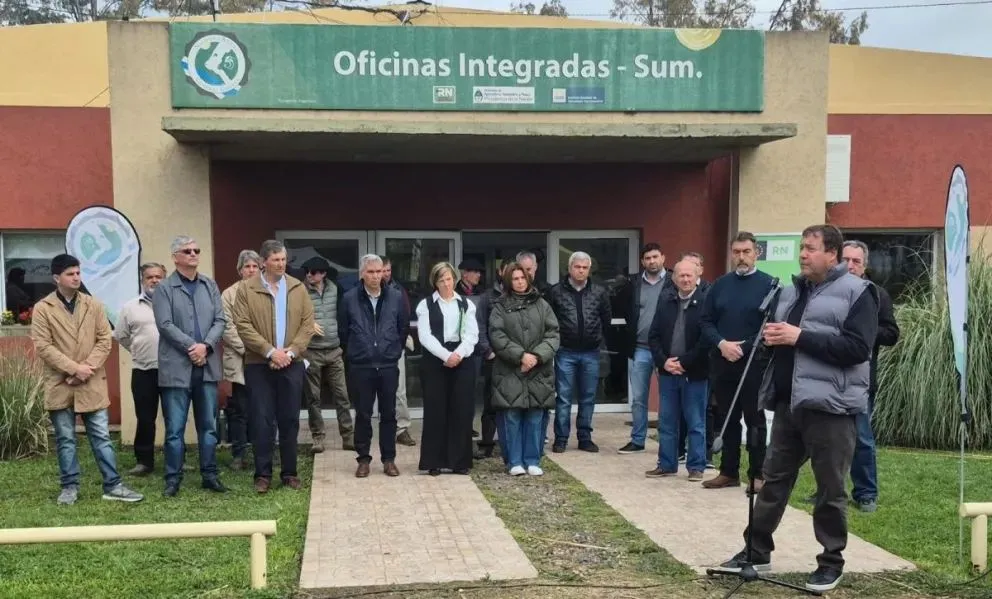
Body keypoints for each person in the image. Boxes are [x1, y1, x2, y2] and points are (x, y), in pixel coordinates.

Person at [716, 224, 878, 593]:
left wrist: (798, 337)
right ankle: (756, 550)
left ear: (832, 254)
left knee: (830, 489)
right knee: (773, 480)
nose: (803, 254)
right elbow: (783, 340)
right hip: (790, 403)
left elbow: (857, 349)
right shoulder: (789, 291)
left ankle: (830, 562)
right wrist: (773, 340)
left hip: (832, 408)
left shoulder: (858, 293)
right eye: (802, 248)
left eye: (810, 248)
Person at [32, 254, 144, 504]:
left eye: (78, 273)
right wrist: (73, 369)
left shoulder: (93, 304)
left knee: (101, 436)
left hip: (91, 381)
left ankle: (113, 485)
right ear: (56, 278)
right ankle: (69, 487)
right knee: (65, 439)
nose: (76, 278)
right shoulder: (42, 308)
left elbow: (105, 340)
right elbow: (43, 346)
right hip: (60, 383)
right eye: (70, 274)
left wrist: (86, 369)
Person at [234, 240, 315, 494]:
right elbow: (243, 325)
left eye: (284, 259)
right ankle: (263, 474)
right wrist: (270, 351)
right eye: (276, 260)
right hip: (260, 364)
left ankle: (289, 473)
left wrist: (290, 352)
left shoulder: (297, 287)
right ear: (263, 262)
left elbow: (307, 323)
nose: (281, 264)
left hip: (292, 363)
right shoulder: (247, 289)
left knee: (290, 419)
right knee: (261, 419)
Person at [699, 231, 775, 493]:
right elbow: (705, 321)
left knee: (754, 420)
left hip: (753, 363)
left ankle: (758, 474)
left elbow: (770, 325)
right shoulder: (720, 285)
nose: (741, 257)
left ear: (756, 253)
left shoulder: (770, 285)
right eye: (736, 252)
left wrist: (743, 347)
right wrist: (722, 344)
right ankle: (728, 472)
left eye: (746, 252)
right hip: (723, 361)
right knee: (727, 418)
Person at [153, 235, 228, 497]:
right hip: (177, 367)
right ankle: (173, 479)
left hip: (206, 366)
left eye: (197, 250)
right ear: (175, 257)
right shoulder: (164, 288)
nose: (194, 254)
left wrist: (205, 346)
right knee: (174, 429)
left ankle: (210, 475)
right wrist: (192, 347)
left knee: (208, 426)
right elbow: (164, 325)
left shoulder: (210, 285)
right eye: (187, 251)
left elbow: (220, 320)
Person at [840, 240, 900, 512]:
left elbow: (891, 334)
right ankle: (829, 491)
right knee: (829, 438)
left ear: (865, 266)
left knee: (861, 437)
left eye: (856, 261)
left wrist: (862, 331)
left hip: (861, 378)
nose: (850, 265)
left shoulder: (876, 294)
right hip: (826, 376)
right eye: (846, 260)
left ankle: (866, 493)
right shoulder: (827, 290)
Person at [338, 254, 410, 478]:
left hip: (388, 364)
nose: (376, 276)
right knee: (363, 414)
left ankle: (389, 460)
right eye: (371, 272)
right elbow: (343, 332)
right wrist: (357, 351)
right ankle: (363, 459)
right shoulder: (349, 299)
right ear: (362, 273)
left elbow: (403, 327)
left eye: (379, 271)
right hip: (362, 365)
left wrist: (392, 350)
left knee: (389, 414)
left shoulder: (396, 297)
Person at [489, 262, 560, 476]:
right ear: (509, 282)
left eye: (522, 278)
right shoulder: (500, 306)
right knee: (512, 416)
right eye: (515, 279)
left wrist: (537, 356)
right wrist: (520, 355)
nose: (520, 282)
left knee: (535, 416)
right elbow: (497, 335)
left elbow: (553, 333)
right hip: (510, 369)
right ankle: (514, 461)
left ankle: (533, 460)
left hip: (539, 369)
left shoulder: (542, 305)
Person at [647, 260, 710, 481]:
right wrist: (664, 362)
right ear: (674, 279)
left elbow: (706, 340)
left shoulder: (705, 302)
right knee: (667, 422)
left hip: (694, 373)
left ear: (697, 276)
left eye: (689, 276)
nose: (685, 279)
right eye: (681, 276)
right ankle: (666, 464)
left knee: (695, 422)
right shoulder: (665, 301)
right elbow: (653, 336)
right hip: (667, 373)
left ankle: (696, 466)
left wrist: (684, 362)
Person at [415, 262, 479, 475]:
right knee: (436, 410)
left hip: (462, 359)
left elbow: (472, 334)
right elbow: (425, 336)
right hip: (436, 360)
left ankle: (459, 461)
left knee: (461, 410)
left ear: (454, 279)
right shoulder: (425, 305)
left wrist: (458, 354)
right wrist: (445, 355)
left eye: (449, 279)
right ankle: (434, 461)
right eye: (441, 280)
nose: (445, 284)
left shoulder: (466, 304)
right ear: (435, 282)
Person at [547, 251, 612, 453]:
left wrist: (598, 340)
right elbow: (549, 322)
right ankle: (561, 439)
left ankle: (585, 437)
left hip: (591, 352)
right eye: (577, 267)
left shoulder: (599, 292)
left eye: (585, 267)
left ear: (589, 270)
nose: (581, 271)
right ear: (569, 268)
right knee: (564, 398)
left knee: (587, 397)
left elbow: (606, 319)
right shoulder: (556, 292)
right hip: (565, 352)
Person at [615, 242, 672, 454]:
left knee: (667, 397)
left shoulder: (673, 281)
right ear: (642, 261)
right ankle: (638, 440)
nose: (652, 261)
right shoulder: (634, 284)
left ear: (663, 258)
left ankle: (668, 441)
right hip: (640, 348)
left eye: (655, 257)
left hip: (666, 350)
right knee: (639, 398)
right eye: (648, 258)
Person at [114, 261, 167, 476]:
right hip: (143, 370)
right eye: (149, 277)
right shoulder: (130, 307)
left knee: (175, 417)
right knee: (145, 418)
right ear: (142, 280)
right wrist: (138, 350)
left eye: (158, 277)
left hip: (172, 370)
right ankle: (144, 462)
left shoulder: (174, 304)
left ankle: (177, 460)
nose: (154, 280)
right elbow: (121, 336)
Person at [301, 255, 354, 453]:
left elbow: (344, 314)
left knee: (342, 395)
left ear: (323, 274)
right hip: (311, 351)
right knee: (313, 398)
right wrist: (308, 325)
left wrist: (345, 343)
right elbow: (293, 316)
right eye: (307, 271)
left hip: (334, 350)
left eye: (313, 272)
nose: (309, 275)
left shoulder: (336, 289)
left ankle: (348, 436)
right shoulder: (300, 291)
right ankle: (318, 438)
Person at [220, 249, 261, 470]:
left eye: (255, 266)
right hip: (241, 359)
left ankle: (263, 452)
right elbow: (226, 327)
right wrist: (250, 349)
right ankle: (239, 454)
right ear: (240, 270)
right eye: (247, 266)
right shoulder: (228, 294)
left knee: (264, 409)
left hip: (264, 360)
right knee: (240, 410)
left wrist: (264, 350)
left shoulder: (267, 291)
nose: (251, 270)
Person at [473, 258, 512, 460]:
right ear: (500, 271)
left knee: (513, 404)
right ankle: (486, 443)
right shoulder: (488, 297)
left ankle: (511, 446)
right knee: (490, 403)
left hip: (515, 360)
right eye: (508, 270)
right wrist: (487, 351)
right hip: (494, 359)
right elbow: (479, 326)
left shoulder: (523, 297)